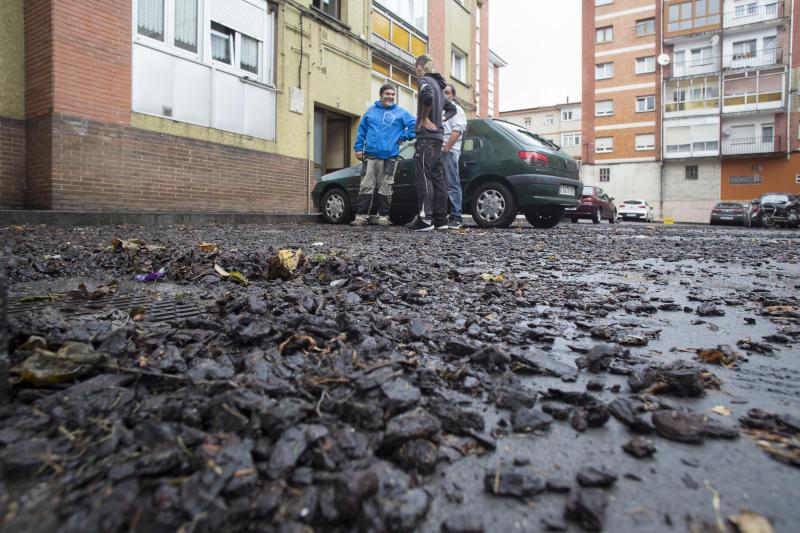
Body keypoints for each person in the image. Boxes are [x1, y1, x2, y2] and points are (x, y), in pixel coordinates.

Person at [351, 84, 416, 226]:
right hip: (370, 157)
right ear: (380, 95)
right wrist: (358, 148)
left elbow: (415, 126)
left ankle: (383, 217)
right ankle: (361, 217)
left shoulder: (401, 113)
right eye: (387, 94)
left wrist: (404, 137)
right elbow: (361, 131)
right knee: (366, 186)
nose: (390, 97)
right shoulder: (370, 112)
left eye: (393, 94)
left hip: (389, 158)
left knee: (386, 188)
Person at [406, 55, 457, 232]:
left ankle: (425, 219)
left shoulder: (425, 81)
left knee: (424, 176)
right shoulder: (439, 87)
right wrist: (440, 118)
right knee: (437, 179)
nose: (415, 72)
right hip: (437, 139)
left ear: (419, 67)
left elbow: (426, 96)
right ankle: (441, 220)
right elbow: (452, 109)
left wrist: (425, 117)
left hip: (426, 138)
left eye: (415, 68)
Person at [441, 84, 467, 229]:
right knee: (440, 186)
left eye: (447, 92)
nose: (444, 95)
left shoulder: (456, 110)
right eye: (442, 92)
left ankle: (456, 217)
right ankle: (440, 216)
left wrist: (446, 148)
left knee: (452, 185)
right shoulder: (439, 110)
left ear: (452, 96)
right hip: (438, 151)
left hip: (449, 152)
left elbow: (457, 131)